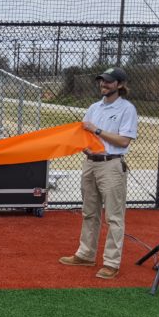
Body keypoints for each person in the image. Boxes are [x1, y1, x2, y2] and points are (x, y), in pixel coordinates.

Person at [59, 66, 138, 280]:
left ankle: (111, 263)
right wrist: (85, 145)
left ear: (120, 85)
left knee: (114, 216)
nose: (104, 84)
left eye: (109, 82)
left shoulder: (127, 109)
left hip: (111, 165)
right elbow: (83, 135)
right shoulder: (94, 107)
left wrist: (96, 131)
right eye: (102, 81)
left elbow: (123, 140)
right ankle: (86, 254)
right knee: (89, 212)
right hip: (90, 163)